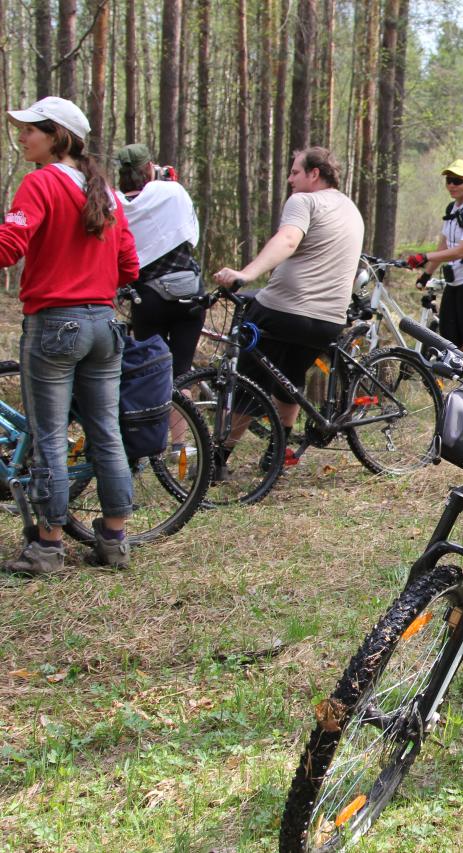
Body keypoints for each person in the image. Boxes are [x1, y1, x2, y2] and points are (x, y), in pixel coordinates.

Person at [0, 97, 139, 575]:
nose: (21, 138)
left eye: (30, 130)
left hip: (55, 325)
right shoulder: (104, 192)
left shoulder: (40, 183)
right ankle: (115, 540)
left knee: (51, 437)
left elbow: (9, 245)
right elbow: (129, 265)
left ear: (57, 135)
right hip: (104, 325)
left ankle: (47, 547)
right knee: (106, 433)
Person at [212, 147, 363, 467]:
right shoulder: (351, 208)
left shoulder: (303, 202)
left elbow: (288, 240)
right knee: (290, 374)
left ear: (315, 174)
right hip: (328, 320)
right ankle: (277, 451)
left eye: (295, 172)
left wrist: (246, 273)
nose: (290, 179)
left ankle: (219, 456)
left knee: (248, 376)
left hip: (286, 309)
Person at [115, 143, 205, 380]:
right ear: (147, 167)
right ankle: (184, 414)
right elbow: (190, 233)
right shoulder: (173, 192)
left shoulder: (116, 204)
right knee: (181, 376)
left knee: (153, 376)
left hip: (148, 298)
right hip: (189, 293)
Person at [403, 159, 463, 366]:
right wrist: (426, 274)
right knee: (450, 340)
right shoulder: (453, 210)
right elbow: (443, 246)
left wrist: (425, 257)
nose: (451, 186)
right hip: (456, 282)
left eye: (457, 181)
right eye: (449, 180)